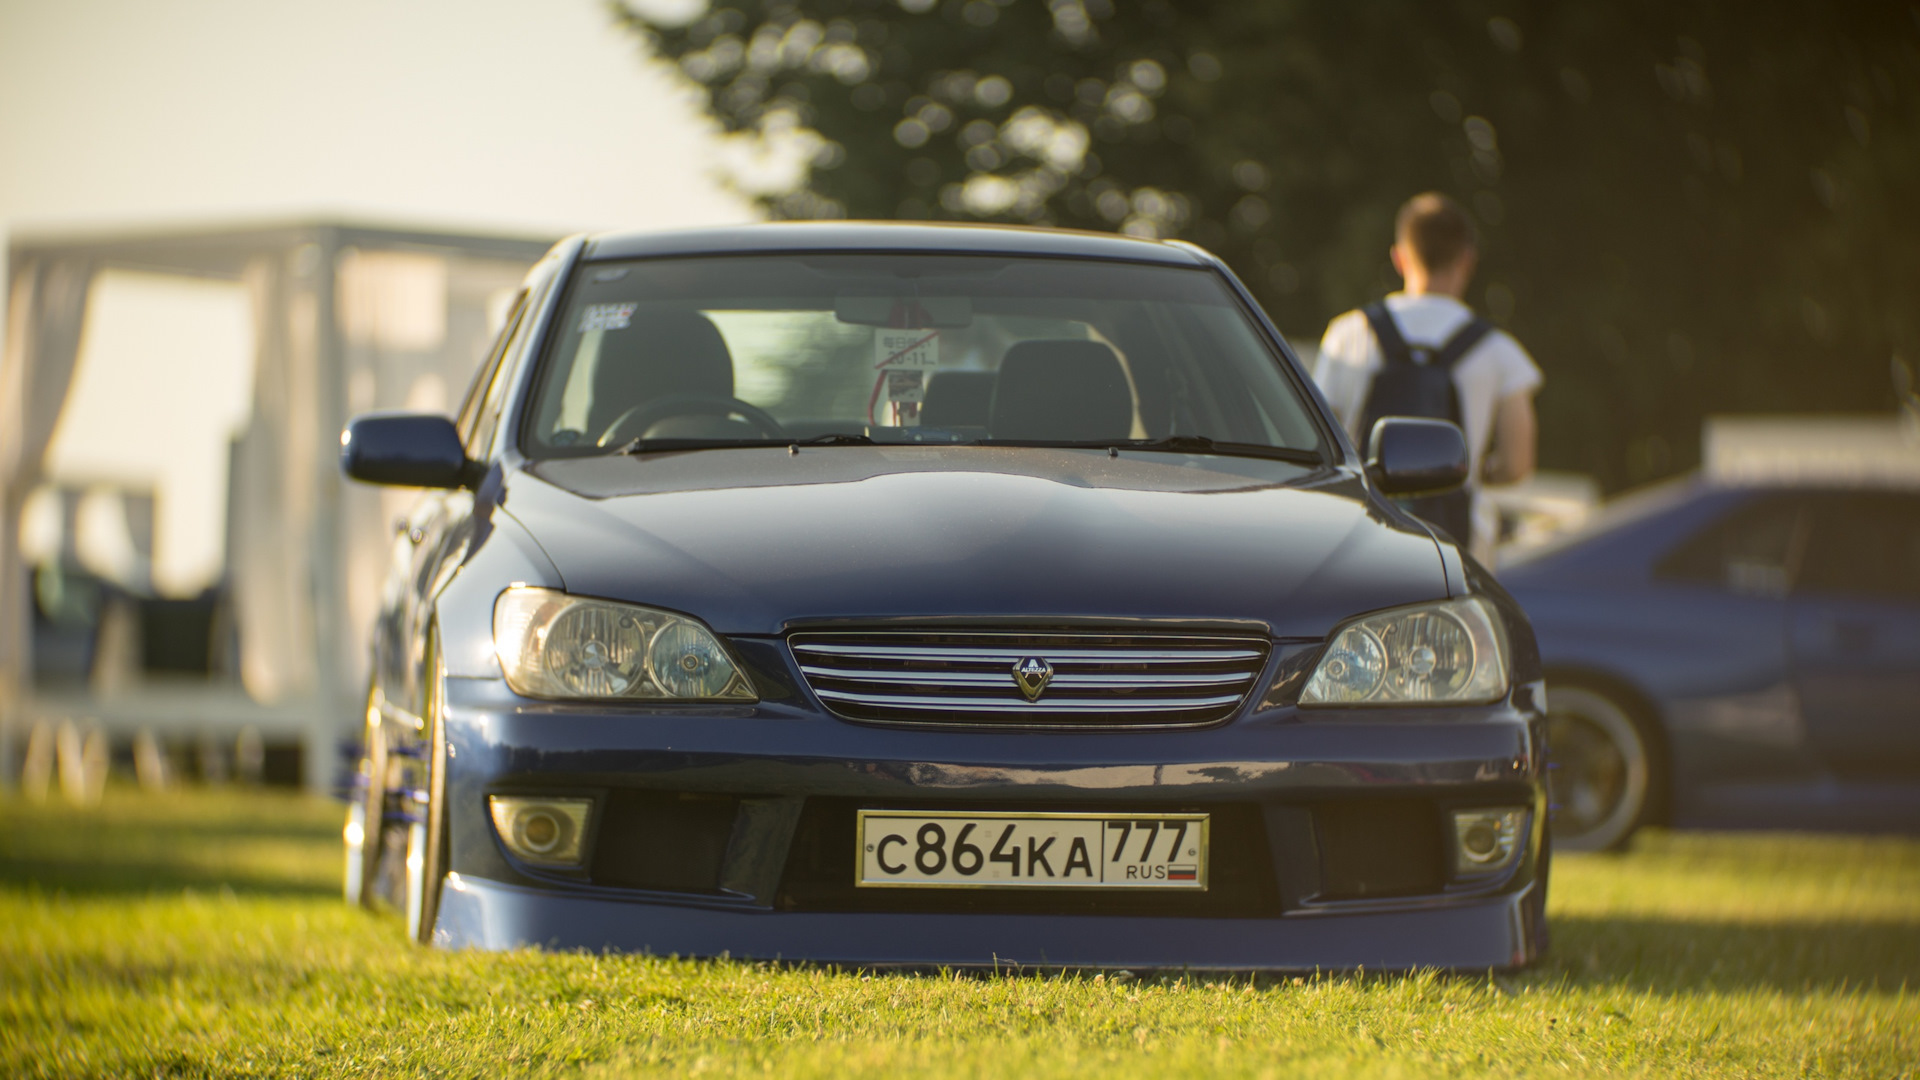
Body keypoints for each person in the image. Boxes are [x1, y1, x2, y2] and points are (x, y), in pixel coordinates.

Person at [1313, 192, 1542, 562]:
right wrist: (1475, 469)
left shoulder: (1348, 334)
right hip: (1457, 547)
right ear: (1467, 260)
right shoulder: (1499, 350)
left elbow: (1319, 444)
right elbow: (1518, 463)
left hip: (1361, 536)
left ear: (1400, 256)